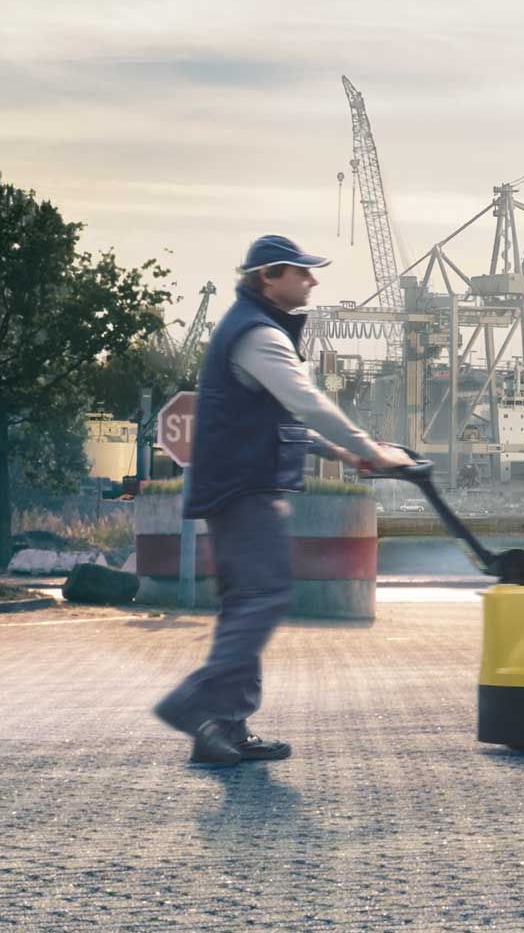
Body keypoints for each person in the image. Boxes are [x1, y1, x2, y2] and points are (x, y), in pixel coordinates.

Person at [149, 234, 413, 768]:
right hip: (246, 490)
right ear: (268, 276)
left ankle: (223, 730)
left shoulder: (254, 329)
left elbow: (278, 419)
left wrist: (343, 454)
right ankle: (190, 704)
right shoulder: (258, 335)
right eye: (302, 272)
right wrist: (370, 450)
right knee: (263, 598)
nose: (312, 281)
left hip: (238, 487)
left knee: (245, 603)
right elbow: (305, 401)